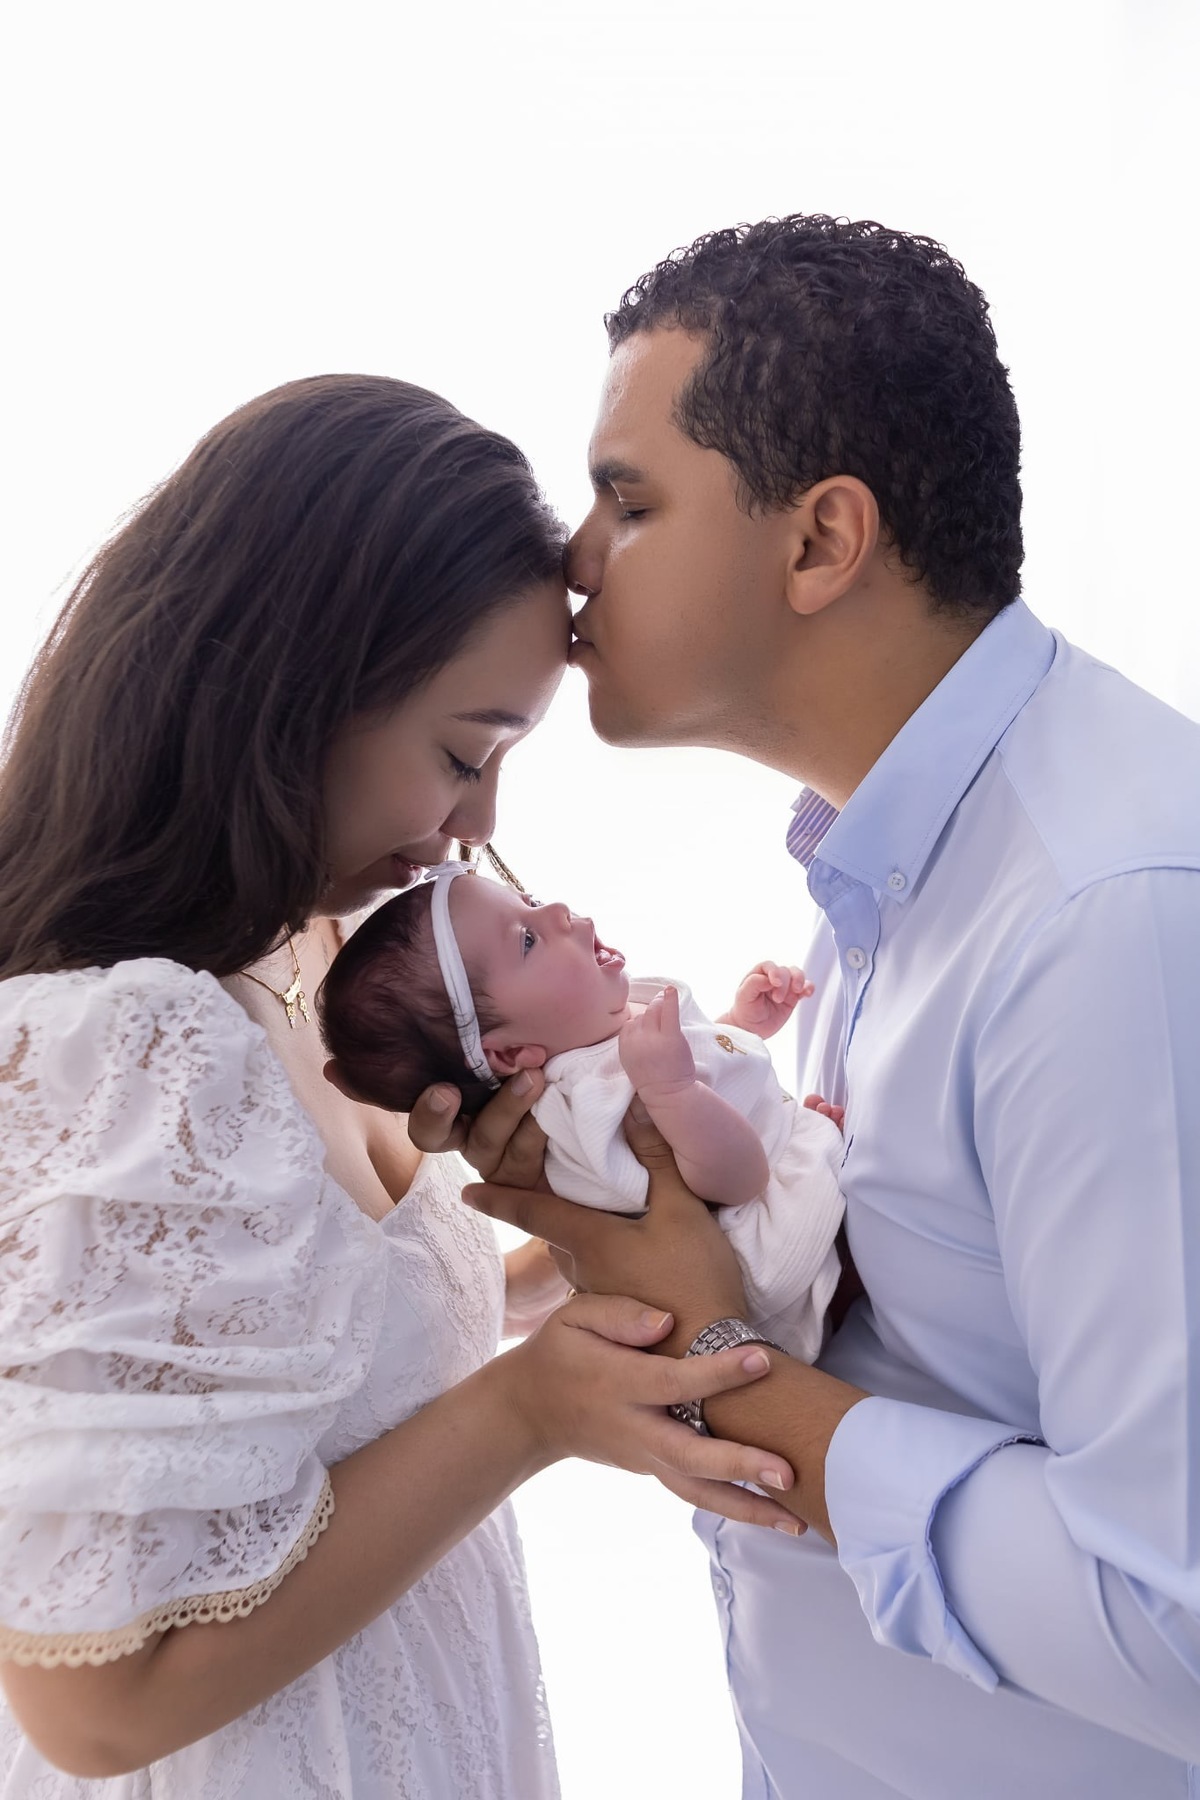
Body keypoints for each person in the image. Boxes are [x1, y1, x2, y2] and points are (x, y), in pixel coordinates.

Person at [445, 217, 1200, 1798]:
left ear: (818, 543)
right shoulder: (897, 866)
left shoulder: (1105, 918)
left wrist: (718, 1357)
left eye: (628, 501)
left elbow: (1176, 1627)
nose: (573, 557)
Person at [0, 373, 800, 1799]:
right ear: (285, 690)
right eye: (461, 754)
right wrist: (531, 1413)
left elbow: (304, 1372)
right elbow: (93, 1710)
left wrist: (579, 1251)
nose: (475, 830)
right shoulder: (127, 1046)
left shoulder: (313, 969)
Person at [319, 862, 845, 1358]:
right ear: (507, 1054)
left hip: (796, 1162)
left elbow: (710, 1066)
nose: (559, 912)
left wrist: (738, 1026)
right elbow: (736, 1180)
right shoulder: (581, 1112)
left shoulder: (610, 1019)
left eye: (529, 901)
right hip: (793, 1257)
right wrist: (674, 1092)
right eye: (527, 939)